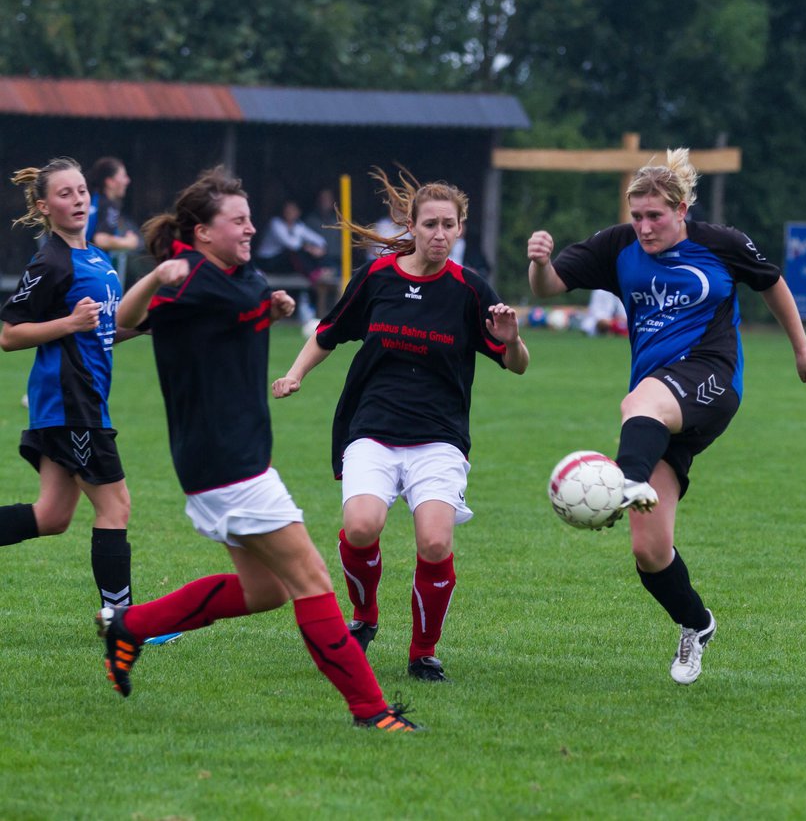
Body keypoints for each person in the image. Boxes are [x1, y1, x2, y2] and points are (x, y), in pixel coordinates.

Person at [100, 167, 417, 731]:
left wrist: (266, 309)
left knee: (264, 590)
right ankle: (372, 711)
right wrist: (154, 280)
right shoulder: (185, 280)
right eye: (239, 220)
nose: (251, 228)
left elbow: (230, 316)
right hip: (227, 463)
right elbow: (124, 322)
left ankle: (130, 626)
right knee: (312, 581)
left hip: (235, 457)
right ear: (201, 231)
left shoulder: (236, 272)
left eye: (249, 218)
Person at [527, 148, 806, 685]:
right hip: (662, 412)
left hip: (711, 378)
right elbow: (547, 289)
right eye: (636, 216)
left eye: (655, 216)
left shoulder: (720, 244)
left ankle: (626, 480)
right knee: (649, 549)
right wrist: (539, 262)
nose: (643, 226)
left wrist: (802, 350)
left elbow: (771, 283)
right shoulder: (617, 247)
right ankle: (696, 623)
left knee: (637, 403)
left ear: (682, 208)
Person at [272, 168, 528, 684]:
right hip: (373, 427)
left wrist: (512, 337)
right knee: (362, 525)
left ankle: (423, 652)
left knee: (435, 543)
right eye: (430, 223)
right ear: (411, 225)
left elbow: (516, 363)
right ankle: (364, 618)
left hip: (439, 436)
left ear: (460, 230)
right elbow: (329, 332)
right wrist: (294, 373)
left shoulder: (470, 289)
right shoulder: (378, 278)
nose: (439, 233)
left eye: (448, 225)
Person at [0, 157, 136, 614]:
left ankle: (119, 617)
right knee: (115, 506)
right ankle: (122, 619)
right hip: (70, 401)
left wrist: (147, 324)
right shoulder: (50, 262)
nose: (77, 200)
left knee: (53, 517)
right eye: (65, 194)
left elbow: (99, 329)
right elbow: (9, 334)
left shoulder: (95, 255)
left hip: (82, 399)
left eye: (81, 191)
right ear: (44, 206)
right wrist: (69, 321)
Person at [255, 200, 331, 322]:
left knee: (309, 252)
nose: (290, 213)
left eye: (293, 210)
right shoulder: (276, 223)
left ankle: (320, 271)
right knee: (294, 253)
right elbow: (292, 245)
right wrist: (309, 247)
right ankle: (313, 274)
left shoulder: (298, 226)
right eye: (288, 210)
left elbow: (320, 241)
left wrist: (318, 249)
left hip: (284, 263)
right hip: (267, 262)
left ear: (298, 213)